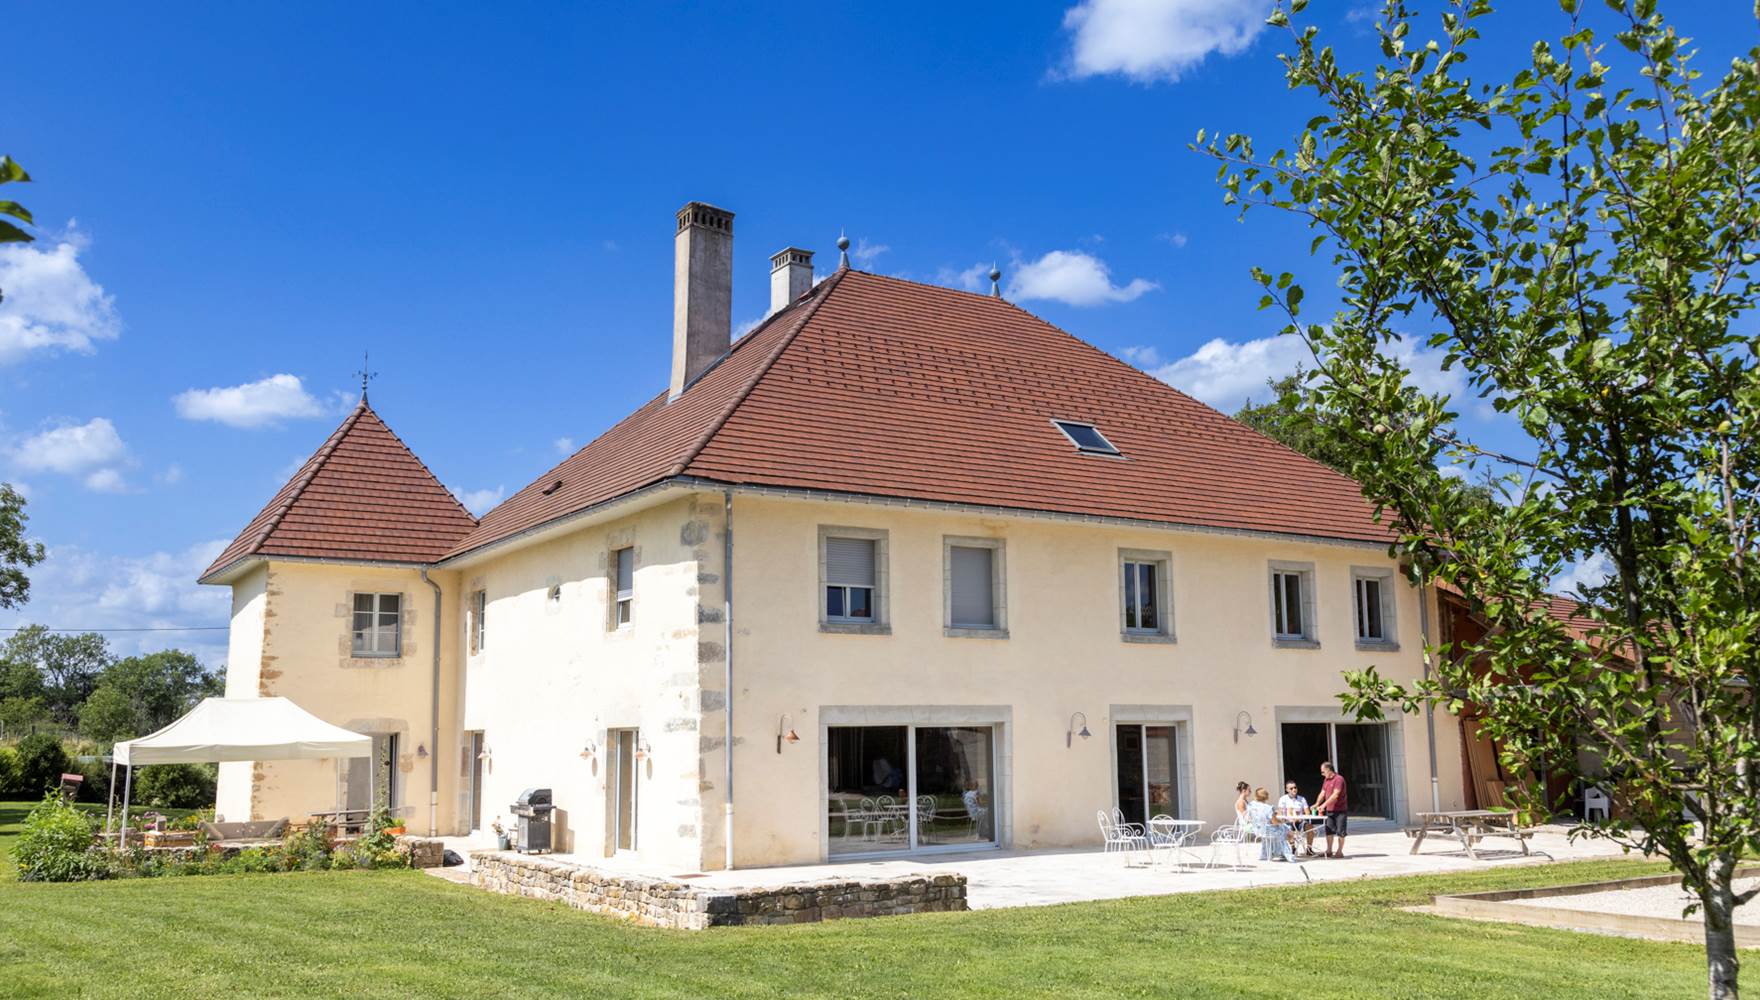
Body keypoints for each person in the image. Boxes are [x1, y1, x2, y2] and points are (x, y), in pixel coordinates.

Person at [1244, 787, 1293, 861]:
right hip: (1268, 831)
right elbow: (1275, 822)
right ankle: (1287, 853)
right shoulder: (1268, 808)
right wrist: (1282, 822)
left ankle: (1271, 853)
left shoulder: (1251, 805)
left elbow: (1250, 817)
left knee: (1282, 829)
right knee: (1286, 829)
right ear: (1266, 796)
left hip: (1257, 830)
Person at [1316, 761, 1349, 858]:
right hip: (1330, 810)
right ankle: (1329, 850)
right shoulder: (1326, 780)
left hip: (1340, 810)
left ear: (1328, 770)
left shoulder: (1339, 779)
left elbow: (1335, 795)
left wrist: (1323, 805)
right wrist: (1317, 803)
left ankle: (1339, 851)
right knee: (1329, 831)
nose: (1322, 774)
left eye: (1323, 772)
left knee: (1341, 832)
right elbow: (1322, 793)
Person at [1277, 781, 1317, 857]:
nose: (1294, 789)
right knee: (1287, 828)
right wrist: (1285, 819)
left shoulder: (1302, 799)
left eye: (1295, 787)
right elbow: (1280, 812)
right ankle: (1293, 848)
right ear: (1287, 790)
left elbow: (1307, 812)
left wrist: (1300, 818)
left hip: (1300, 821)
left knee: (1310, 827)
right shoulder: (1283, 799)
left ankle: (1309, 849)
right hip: (1288, 821)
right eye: (1291, 788)